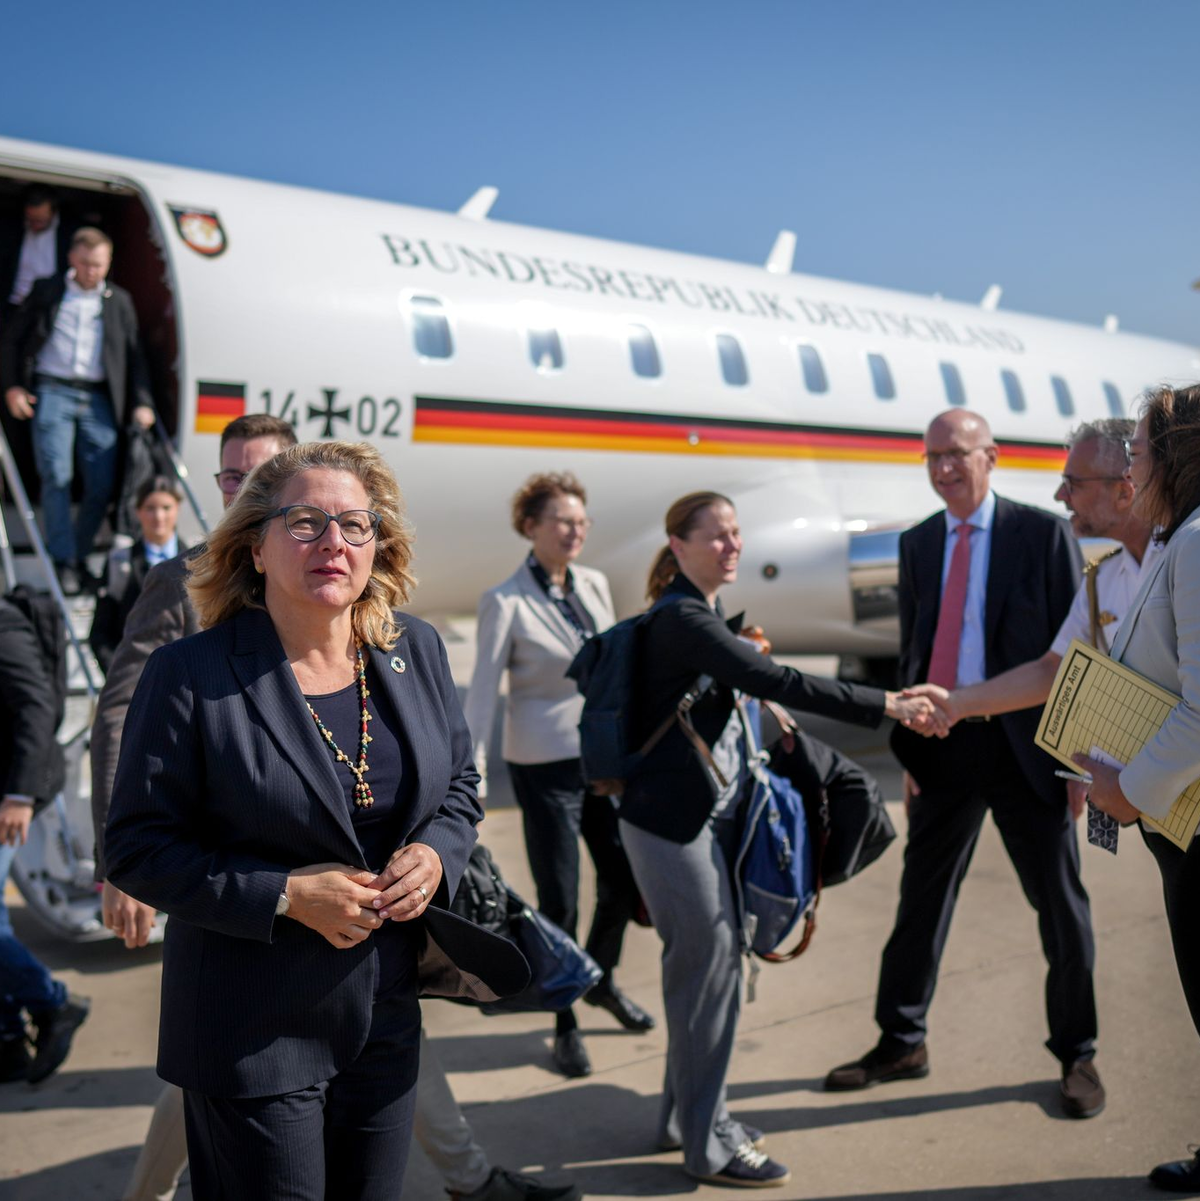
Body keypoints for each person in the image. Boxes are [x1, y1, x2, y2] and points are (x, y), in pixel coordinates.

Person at [104, 440, 524, 1199]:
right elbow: (136, 847)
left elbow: (460, 784)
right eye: (305, 522)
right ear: (255, 547)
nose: (334, 541)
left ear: (376, 546)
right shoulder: (190, 674)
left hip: (385, 1019)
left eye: (354, 525)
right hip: (252, 1028)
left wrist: (435, 852)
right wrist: (287, 895)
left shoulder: (414, 649)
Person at [616, 490, 933, 1188]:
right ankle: (708, 1142)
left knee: (702, 973)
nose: (733, 546)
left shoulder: (701, 618)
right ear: (679, 545)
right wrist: (889, 702)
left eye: (736, 534)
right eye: (717, 536)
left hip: (693, 816)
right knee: (713, 971)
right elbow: (775, 679)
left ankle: (684, 1118)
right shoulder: (684, 618)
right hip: (668, 826)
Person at [823, 409, 1105, 1120]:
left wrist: (1075, 760)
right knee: (920, 900)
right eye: (932, 457)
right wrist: (913, 754)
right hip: (943, 745)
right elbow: (918, 646)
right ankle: (901, 1040)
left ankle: (1078, 1053)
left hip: (1025, 747)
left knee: (1060, 907)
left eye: (957, 454)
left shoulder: (1042, 533)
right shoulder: (918, 542)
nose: (944, 468)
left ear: (991, 456)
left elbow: (1076, 652)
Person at [464, 471, 650, 1080]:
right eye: (563, 522)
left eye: (581, 522)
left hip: (600, 762)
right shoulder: (506, 600)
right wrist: (474, 775)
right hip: (542, 765)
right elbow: (484, 695)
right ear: (532, 527)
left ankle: (596, 977)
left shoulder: (595, 584)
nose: (576, 532)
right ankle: (565, 1021)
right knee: (560, 900)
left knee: (622, 881)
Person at [1072, 384, 1200, 1193]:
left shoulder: (1194, 542)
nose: (1134, 466)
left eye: (1143, 452)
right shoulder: (1179, 538)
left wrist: (1130, 789)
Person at [908, 417, 1160, 816]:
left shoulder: (1185, 560)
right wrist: (955, 704)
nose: (1061, 495)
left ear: (1125, 491)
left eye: (1074, 483)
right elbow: (1053, 670)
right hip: (1154, 796)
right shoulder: (1106, 578)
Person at [0, 227, 155, 594]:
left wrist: (143, 402)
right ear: (71, 259)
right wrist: (12, 387)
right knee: (56, 474)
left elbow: (135, 357)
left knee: (101, 481)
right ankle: (64, 559)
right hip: (52, 390)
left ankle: (80, 554)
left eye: (100, 265)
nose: (92, 272)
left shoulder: (119, 301)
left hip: (98, 397)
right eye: (86, 264)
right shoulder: (47, 290)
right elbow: (12, 339)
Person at [0, 596, 89, 1084]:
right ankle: (9, 1038)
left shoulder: (3, 621)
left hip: (6, 797)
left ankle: (56, 1003)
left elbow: (35, 706)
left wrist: (19, 794)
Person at [0, 185, 70, 498]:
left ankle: (27, 485)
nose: (35, 224)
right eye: (31, 219)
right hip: (12, 309)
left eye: (41, 219)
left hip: (47, 314)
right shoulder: (12, 233)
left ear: (53, 211)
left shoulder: (70, 235)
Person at [89, 474, 185, 673]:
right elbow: (100, 631)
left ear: (178, 508)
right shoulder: (119, 562)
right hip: (134, 677)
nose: (158, 517)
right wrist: (118, 675)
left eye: (166, 508)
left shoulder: (197, 561)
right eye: (150, 508)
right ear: (138, 512)